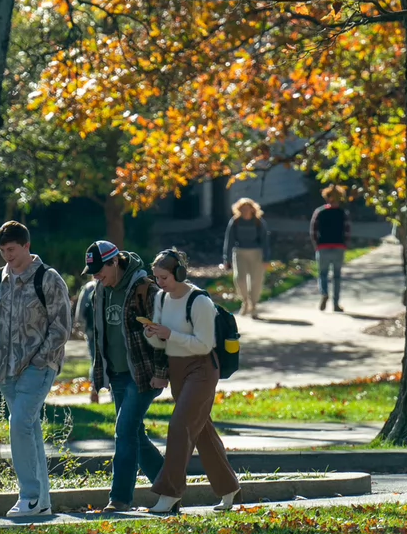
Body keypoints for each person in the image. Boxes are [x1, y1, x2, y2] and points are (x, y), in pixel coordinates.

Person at [0, 221, 73, 517]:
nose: (7, 256)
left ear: (26, 246)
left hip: (38, 366)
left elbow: (61, 325)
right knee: (29, 429)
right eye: (2, 251)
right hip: (4, 368)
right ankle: (42, 502)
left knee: (19, 423)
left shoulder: (47, 278)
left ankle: (29, 495)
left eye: (11, 249)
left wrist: (40, 359)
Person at [141, 248, 239, 514]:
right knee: (202, 433)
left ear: (180, 273)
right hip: (177, 370)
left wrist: (169, 333)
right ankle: (229, 489)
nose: (160, 283)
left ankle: (169, 493)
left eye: (164, 278)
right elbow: (160, 342)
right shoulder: (161, 299)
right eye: (156, 278)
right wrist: (152, 333)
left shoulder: (199, 302)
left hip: (202, 369)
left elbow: (204, 343)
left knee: (179, 425)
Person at [82, 240, 168, 512]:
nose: (97, 276)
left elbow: (161, 333)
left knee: (124, 431)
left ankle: (120, 499)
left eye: (100, 270)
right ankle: (171, 488)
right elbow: (97, 336)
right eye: (93, 272)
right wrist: (98, 376)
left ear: (114, 262)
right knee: (135, 435)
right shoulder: (99, 291)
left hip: (143, 375)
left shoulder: (145, 289)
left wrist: (161, 373)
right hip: (117, 375)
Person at [221, 198, 271, 319]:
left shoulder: (258, 222)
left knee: (256, 280)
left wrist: (266, 258)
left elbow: (265, 241)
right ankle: (245, 301)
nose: (245, 211)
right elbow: (229, 240)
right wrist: (226, 259)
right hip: (239, 252)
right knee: (240, 279)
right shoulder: (235, 222)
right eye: (242, 209)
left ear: (252, 210)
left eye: (247, 209)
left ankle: (253, 305)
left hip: (256, 253)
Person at [310, 185, 352, 312]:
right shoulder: (343, 213)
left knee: (323, 274)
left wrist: (316, 245)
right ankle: (336, 304)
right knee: (337, 276)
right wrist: (345, 244)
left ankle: (324, 293)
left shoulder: (320, 212)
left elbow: (313, 230)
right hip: (339, 246)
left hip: (323, 246)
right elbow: (347, 231)